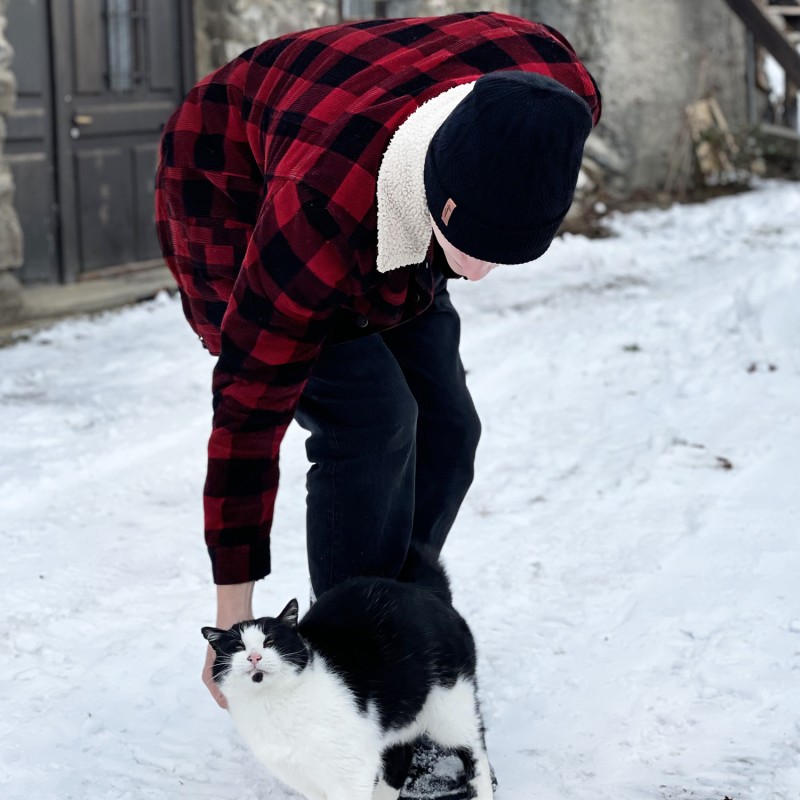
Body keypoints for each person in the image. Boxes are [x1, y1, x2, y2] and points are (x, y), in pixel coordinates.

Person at [156, 10, 600, 797]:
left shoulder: (555, 96)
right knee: (374, 421)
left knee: (450, 426)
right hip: (236, 183)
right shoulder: (315, 210)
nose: (488, 276)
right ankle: (361, 663)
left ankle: (406, 619)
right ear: (448, 208)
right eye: (482, 251)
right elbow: (248, 417)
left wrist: (468, 247)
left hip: (385, 162)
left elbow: (480, 220)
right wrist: (234, 618)